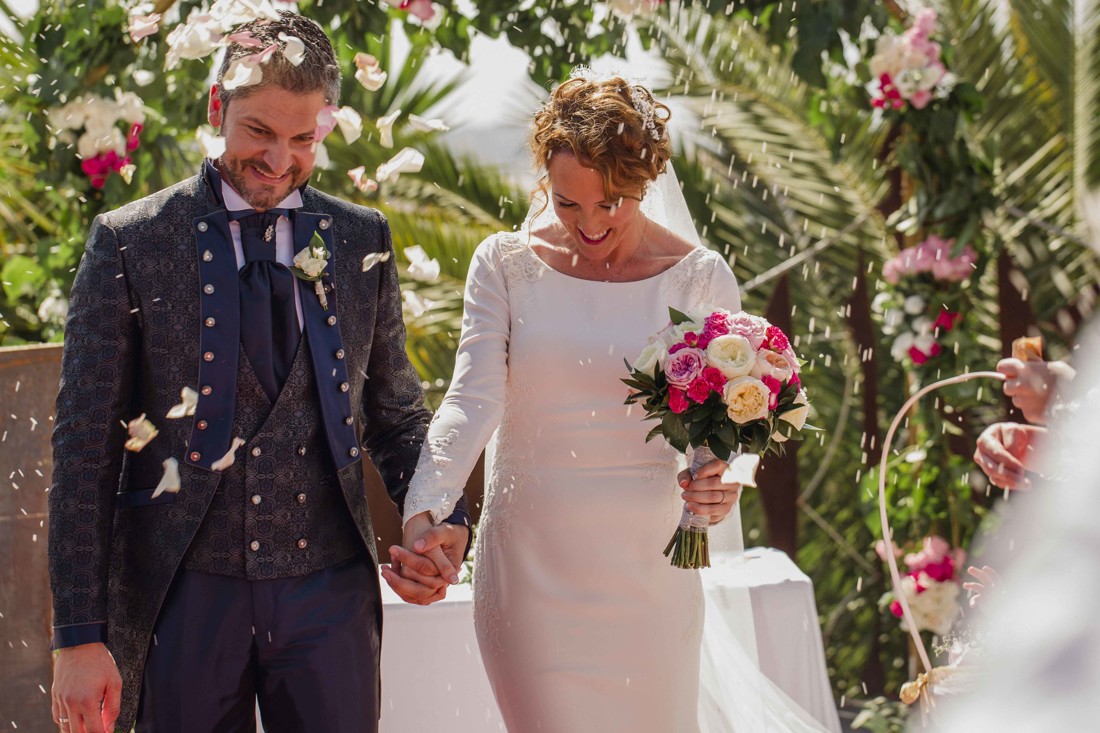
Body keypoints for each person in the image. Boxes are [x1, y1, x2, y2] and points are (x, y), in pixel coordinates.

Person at [47, 11, 468, 733]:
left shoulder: (362, 237)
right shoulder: (130, 242)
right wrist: (79, 635)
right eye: (259, 132)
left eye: (303, 139)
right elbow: (85, 453)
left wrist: (443, 516)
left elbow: (396, 417)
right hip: (184, 595)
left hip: (329, 594)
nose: (280, 160)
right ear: (218, 109)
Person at [382, 73, 827, 732]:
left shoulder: (699, 276)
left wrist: (720, 481)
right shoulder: (504, 264)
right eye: (567, 203)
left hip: (650, 580)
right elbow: (469, 400)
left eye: (612, 201)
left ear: (646, 181)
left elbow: (723, 433)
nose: (590, 225)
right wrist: (423, 511)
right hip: (530, 576)